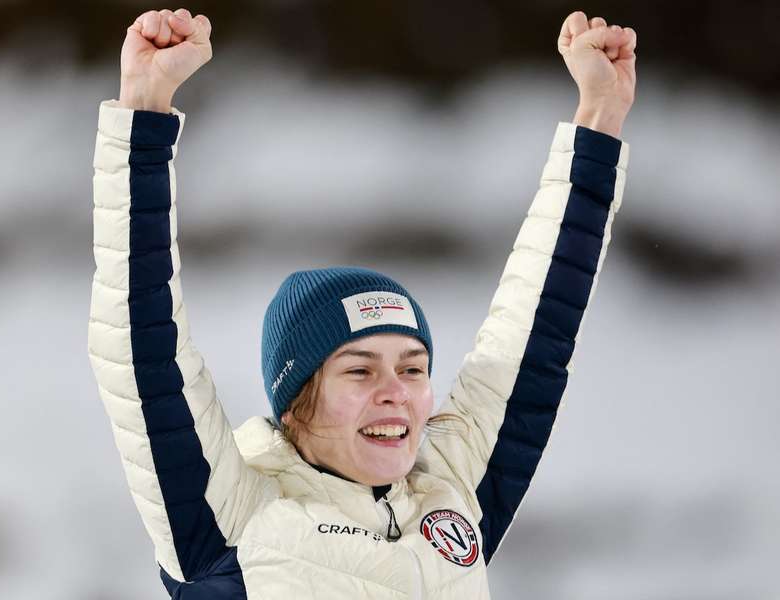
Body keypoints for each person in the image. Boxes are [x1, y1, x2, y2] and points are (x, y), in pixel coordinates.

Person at [88, 8, 635, 599]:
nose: (395, 390)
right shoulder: (230, 519)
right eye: (359, 369)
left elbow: (535, 334)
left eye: (412, 367)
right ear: (295, 401)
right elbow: (142, 345)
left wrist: (599, 116)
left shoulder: (451, 497)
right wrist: (144, 109)